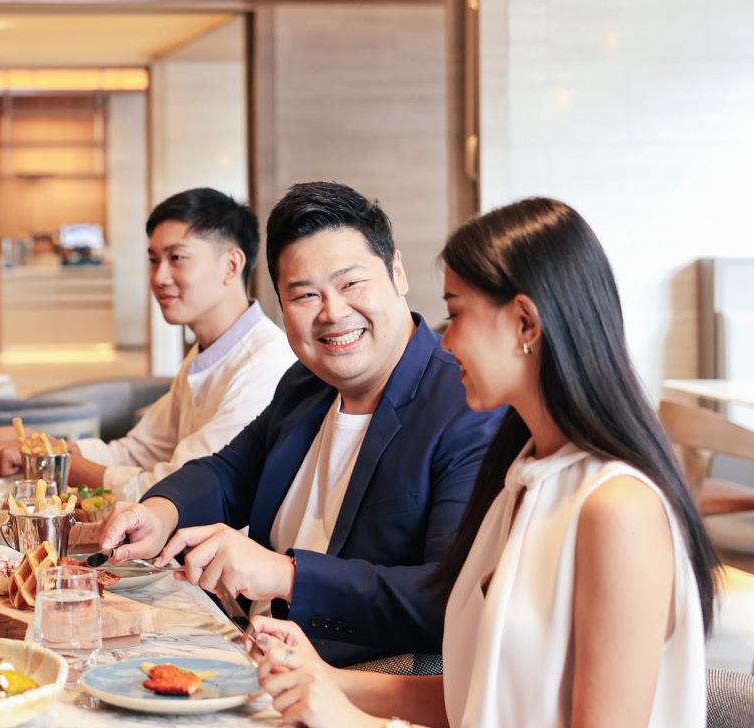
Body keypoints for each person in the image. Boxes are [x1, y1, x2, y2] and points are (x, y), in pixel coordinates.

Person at [249, 197, 720, 727]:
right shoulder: (521, 477)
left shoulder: (618, 510)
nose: (445, 342)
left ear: (525, 324)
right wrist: (327, 680)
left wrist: (354, 721)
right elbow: (481, 698)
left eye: (456, 314)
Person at [99, 181, 503, 665]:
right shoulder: (307, 383)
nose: (333, 312)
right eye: (305, 295)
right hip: (252, 649)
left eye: (351, 284)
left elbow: (449, 596)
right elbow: (229, 472)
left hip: (357, 677)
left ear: (397, 271)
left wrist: (286, 575)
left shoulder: (465, 404)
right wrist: (160, 512)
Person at [0, 188, 296, 503]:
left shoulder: (265, 367)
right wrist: (33, 443)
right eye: (153, 260)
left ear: (231, 265)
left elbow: (179, 489)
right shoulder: (205, 352)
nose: (159, 277)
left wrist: (47, 459)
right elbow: (133, 453)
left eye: (177, 258)